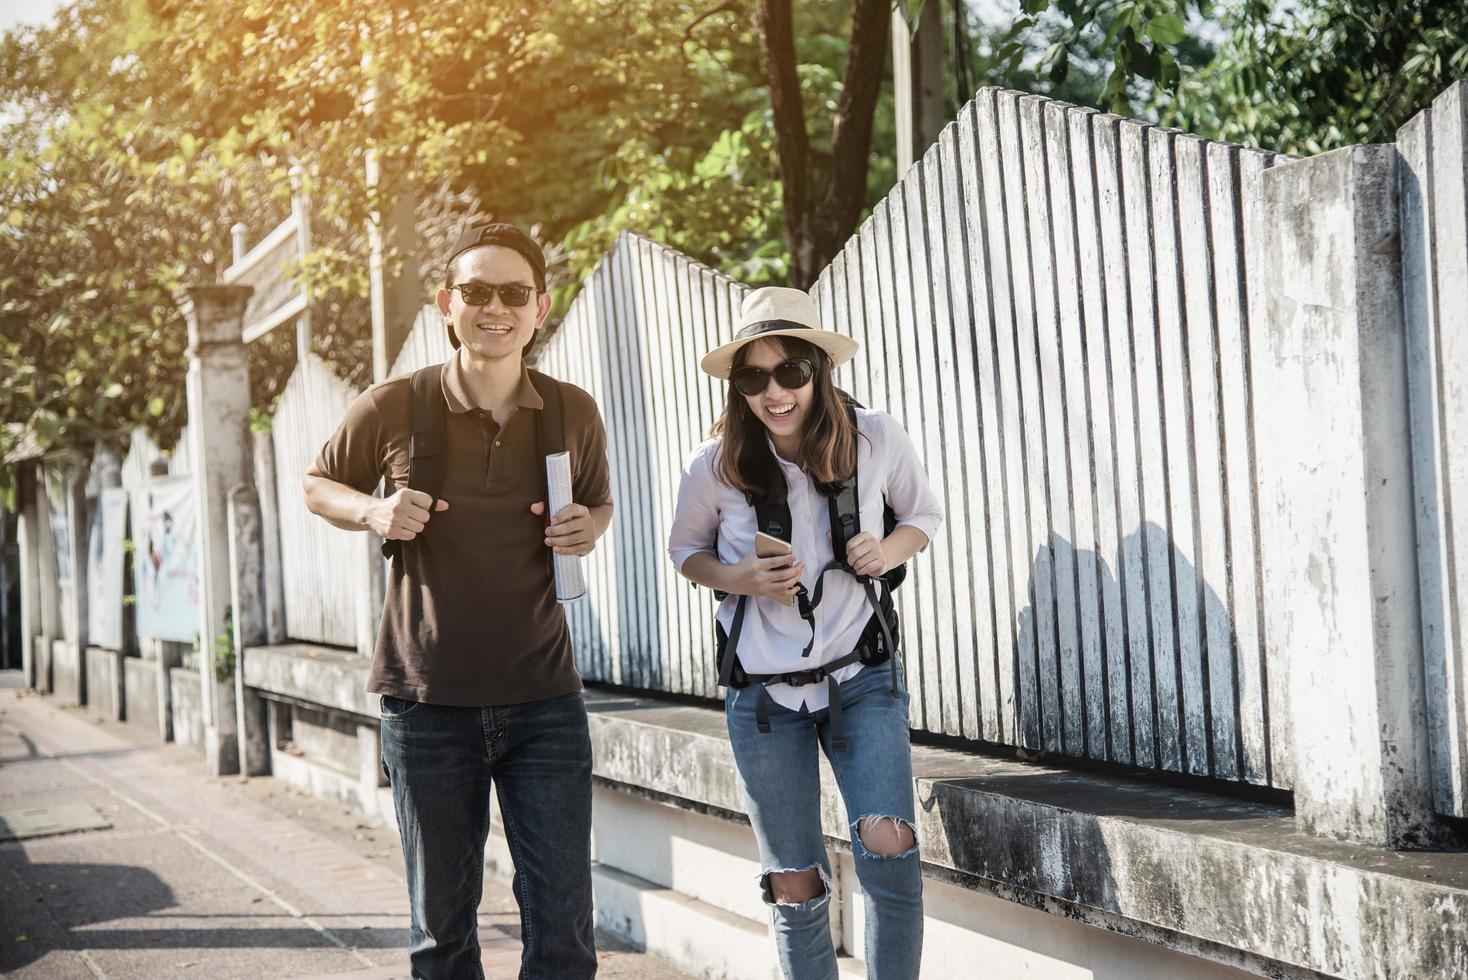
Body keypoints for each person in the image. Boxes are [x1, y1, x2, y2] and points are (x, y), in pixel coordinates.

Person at [303, 221, 613, 980]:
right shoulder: (397, 405)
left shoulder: (571, 411)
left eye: (513, 293)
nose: (494, 308)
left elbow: (599, 505)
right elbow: (316, 485)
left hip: (545, 699)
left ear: (540, 308)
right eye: (477, 292)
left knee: (566, 933)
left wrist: (587, 526)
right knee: (441, 935)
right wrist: (372, 511)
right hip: (426, 702)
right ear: (448, 303)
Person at [667, 286, 941, 979]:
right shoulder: (714, 464)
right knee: (794, 881)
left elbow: (923, 517)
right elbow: (685, 554)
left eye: (790, 371)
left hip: (861, 675)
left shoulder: (876, 434)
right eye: (754, 377)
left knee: (889, 846)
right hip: (762, 698)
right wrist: (743, 580)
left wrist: (886, 549)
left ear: (819, 367)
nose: (775, 392)